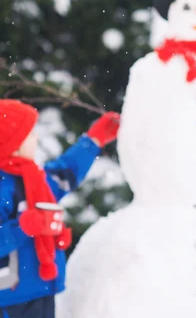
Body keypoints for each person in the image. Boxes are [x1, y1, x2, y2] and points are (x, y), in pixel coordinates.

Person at [0, 99, 120, 318]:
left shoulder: (34, 180)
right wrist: (22, 228)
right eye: (30, 133)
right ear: (13, 143)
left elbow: (65, 173)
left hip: (42, 290)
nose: (36, 138)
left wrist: (94, 140)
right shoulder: (3, 189)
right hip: (9, 298)